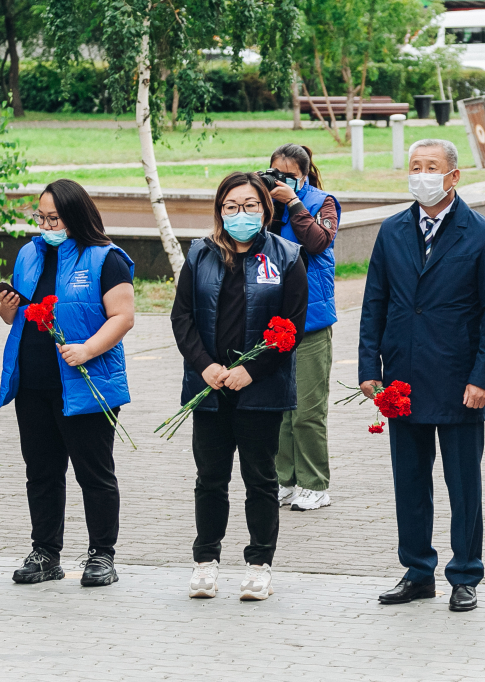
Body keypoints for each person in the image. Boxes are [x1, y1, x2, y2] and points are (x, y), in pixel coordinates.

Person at [359, 139, 485, 613]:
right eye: (415, 167)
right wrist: (369, 368)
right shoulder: (392, 231)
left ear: (453, 176)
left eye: (432, 168)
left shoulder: (484, 236)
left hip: (458, 379)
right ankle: (417, 570)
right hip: (402, 379)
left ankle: (465, 573)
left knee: (463, 482)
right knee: (410, 480)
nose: (421, 175)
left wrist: (483, 378)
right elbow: (374, 304)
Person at [172, 172, 307, 601]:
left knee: (260, 479)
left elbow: (293, 325)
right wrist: (205, 366)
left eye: (249, 206)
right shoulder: (200, 255)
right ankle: (205, 561)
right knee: (210, 478)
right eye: (230, 206)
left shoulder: (286, 256)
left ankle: (258, 565)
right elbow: (182, 318)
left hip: (259, 390)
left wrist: (254, 370)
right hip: (209, 389)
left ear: (266, 210)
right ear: (219, 211)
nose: (240, 214)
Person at [0, 179, 135, 588]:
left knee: (94, 473)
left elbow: (123, 317)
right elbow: (16, 318)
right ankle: (45, 553)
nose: (45, 225)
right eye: (40, 217)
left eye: (53, 218)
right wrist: (7, 311)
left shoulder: (105, 257)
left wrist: (88, 349)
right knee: (41, 472)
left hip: (85, 382)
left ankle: (101, 555)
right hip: (34, 383)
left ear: (74, 216)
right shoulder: (28, 254)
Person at [267, 144, 341, 512]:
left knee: (308, 410)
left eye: (288, 176)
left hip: (311, 321)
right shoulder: (265, 205)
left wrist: (294, 203)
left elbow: (318, 241)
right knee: (279, 409)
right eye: (274, 174)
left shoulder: (322, 202)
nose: (280, 182)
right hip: (274, 322)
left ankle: (315, 484)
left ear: (305, 175)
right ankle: (285, 480)